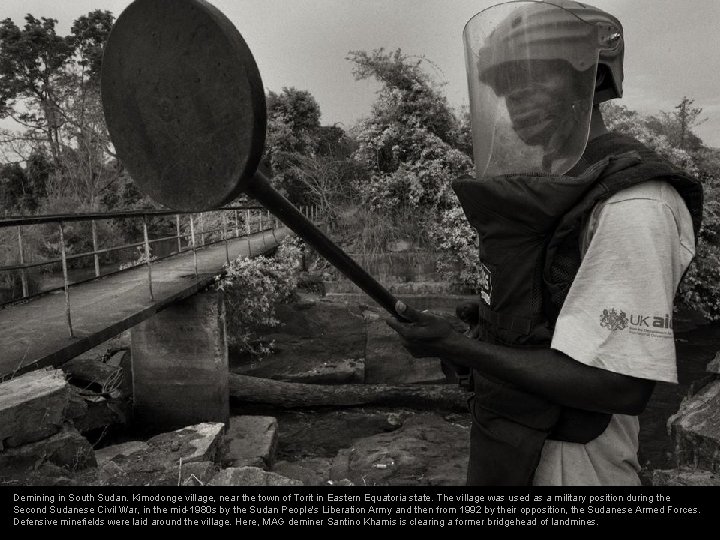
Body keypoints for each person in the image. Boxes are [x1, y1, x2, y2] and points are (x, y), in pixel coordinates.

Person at [388, 0, 703, 486]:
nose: (518, 98)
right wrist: (497, 322)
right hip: (513, 443)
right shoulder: (564, 184)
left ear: (594, 80)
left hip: (575, 463)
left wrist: (458, 349)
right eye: (507, 84)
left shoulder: (634, 204)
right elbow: (559, 306)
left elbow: (618, 384)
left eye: (535, 76)